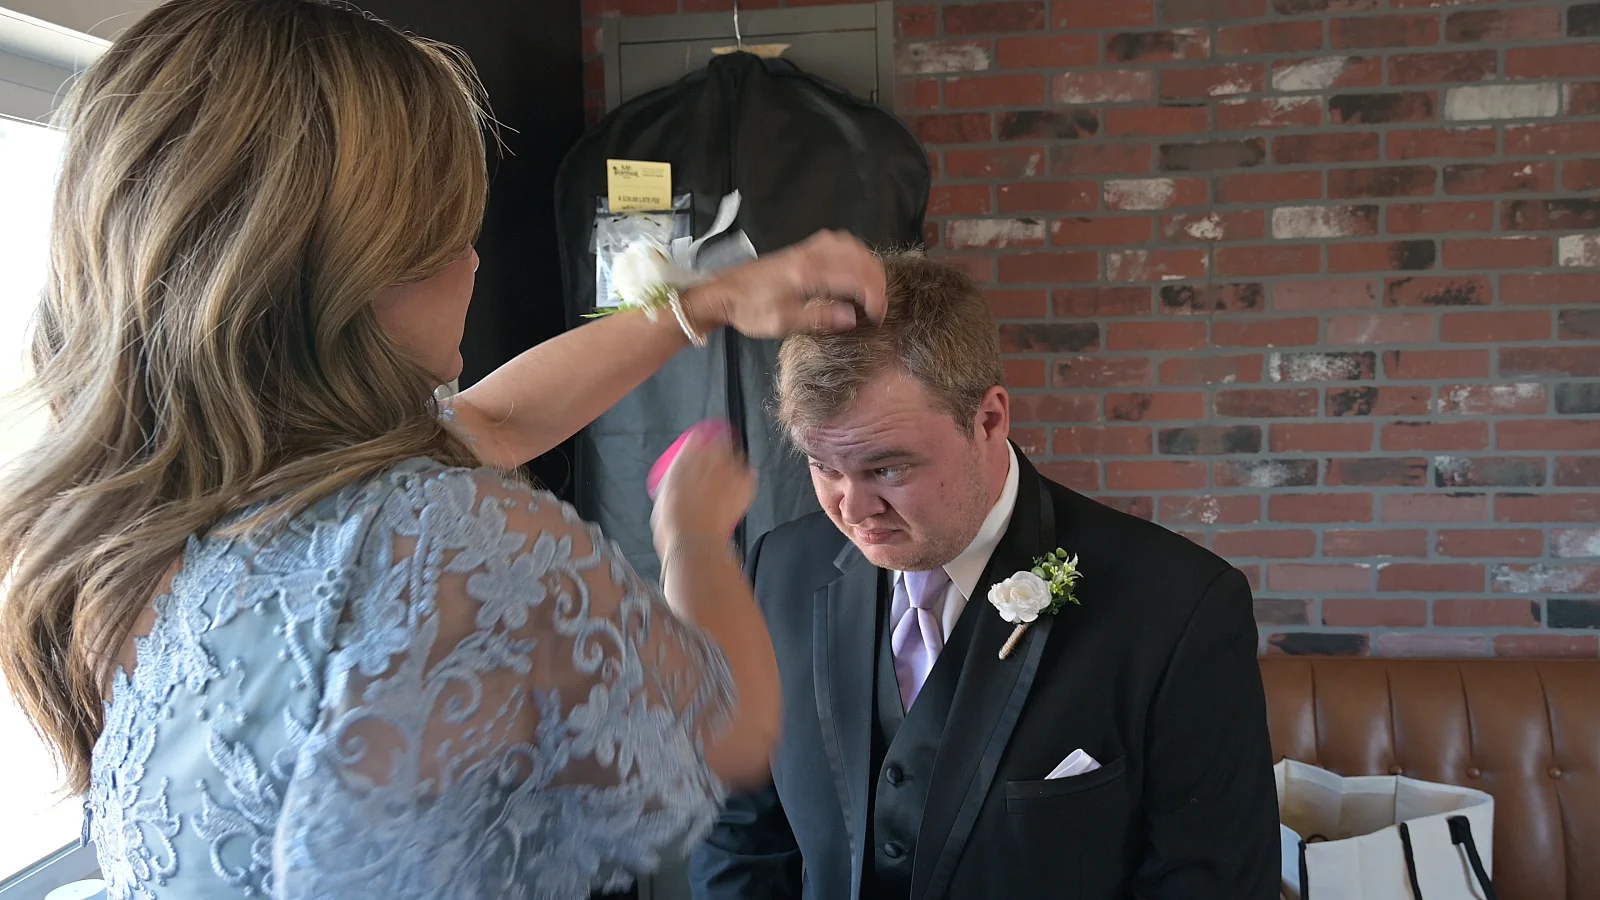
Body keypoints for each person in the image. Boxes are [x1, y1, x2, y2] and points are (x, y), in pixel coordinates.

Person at [0, 2, 886, 898]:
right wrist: (691, 536)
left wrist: (710, 301)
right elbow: (726, 723)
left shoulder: (133, 521)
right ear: (357, 270)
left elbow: (493, 421)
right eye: (449, 230)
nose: (473, 260)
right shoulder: (432, 541)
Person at [687, 255, 1280, 900]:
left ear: (990, 419)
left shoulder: (1180, 608)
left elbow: (1211, 884)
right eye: (824, 466)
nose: (852, 511)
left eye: (887, 468)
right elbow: (742, 837)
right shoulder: (778, 569)